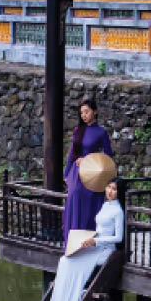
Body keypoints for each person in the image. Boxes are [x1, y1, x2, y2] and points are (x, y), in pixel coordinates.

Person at [43, 179, 123, 301]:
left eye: (114, 189)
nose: (110, 191)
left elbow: (118, 238)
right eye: (108, 187)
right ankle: (62, 300)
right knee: (65, 260)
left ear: (119, 192)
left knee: (72, 263)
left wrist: (96, 241)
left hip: (105, 250)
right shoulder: (105, 205)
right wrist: (88, 238)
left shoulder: (118, 211)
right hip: (95, 245)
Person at [62, 98, 113, 245]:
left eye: (86, 111)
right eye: (81, 113)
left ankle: (88, 241)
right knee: (74, 196)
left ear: (95, 111)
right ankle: (71, 241)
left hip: (92, 173)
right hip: (76, 173)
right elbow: (72, 153)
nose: (83, 115)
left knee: (90, 204)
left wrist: (88, 160)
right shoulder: (78, 130)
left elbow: (108, 156)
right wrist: (66, 174)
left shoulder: (101, 133)